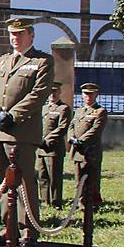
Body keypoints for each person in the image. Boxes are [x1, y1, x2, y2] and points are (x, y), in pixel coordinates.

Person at [0, 17, 54, 247]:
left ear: (31, 36)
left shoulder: (42, 61)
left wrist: (13, 115)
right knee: (3, 181)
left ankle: (28, 230)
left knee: (24, 181)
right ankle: (8, 227)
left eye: (20, 34)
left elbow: (39, 93)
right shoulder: (3, 61)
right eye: (13, 34)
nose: (15, 38)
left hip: (21, 131)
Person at [68, 83, 108, 206]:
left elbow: (96, 129)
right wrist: (71, 137)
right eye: (86, 94)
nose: (88, 97)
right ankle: (80, 201)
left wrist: (81, 140)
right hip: (78, 150)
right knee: (79, 178)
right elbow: (72, 125)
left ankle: (93, 202)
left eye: (91, 94)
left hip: (90, 150)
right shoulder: (79, 111)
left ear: (96, 95)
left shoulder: (100, 111)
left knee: (92, 178)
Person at [38, 82, 72, 210]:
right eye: (50, 92)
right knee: (42, 176)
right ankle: (45, 200)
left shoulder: (63, 109)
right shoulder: (43, 108)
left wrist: (46, 140)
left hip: (53, 148)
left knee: (54, 176)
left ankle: (56, 202)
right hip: (41, 148)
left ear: (59, 92)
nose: (52, 94)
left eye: (55, 92)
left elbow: (62, 128)